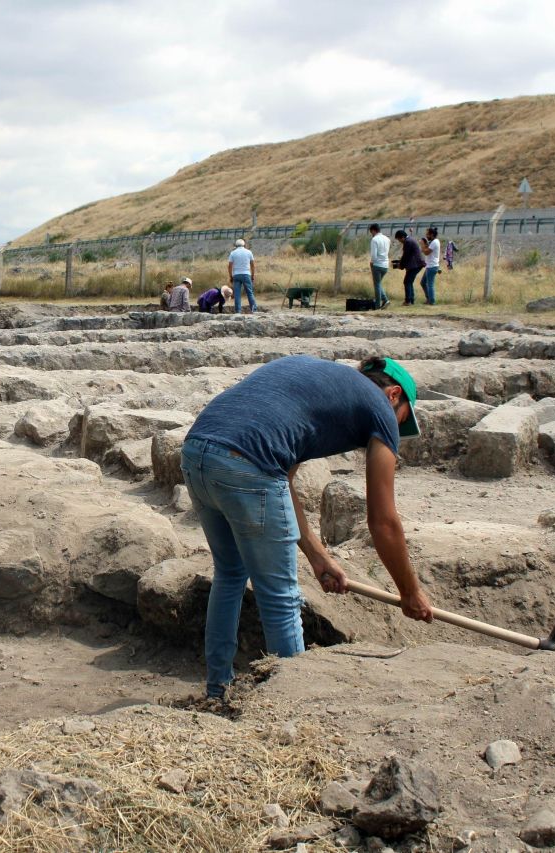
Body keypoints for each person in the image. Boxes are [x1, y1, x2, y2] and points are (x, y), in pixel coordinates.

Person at [181, 355, 433, 699]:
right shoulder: (379, 409)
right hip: (248, 463)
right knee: (281, 596)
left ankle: (217, 690)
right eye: (402, 418)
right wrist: (410, 592)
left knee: (230, 574)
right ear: (393, 395)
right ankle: (293, 705)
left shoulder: (322, 385)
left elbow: (283, 480)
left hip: (197, 452)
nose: (397, 429)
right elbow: (383, 521)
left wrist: (318, 557)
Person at [393, 229, 425, 305]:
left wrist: (401, 265)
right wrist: (401, 263)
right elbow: (407, 256)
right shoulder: (410, 240)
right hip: (416, 264)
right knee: (409, 282)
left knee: (407, 282)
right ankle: (411, 300)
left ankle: (408, 301)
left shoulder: (408, 242)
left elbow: (405, 256)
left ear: (402, 237)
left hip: (415, 265)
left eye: (399, 239)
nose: (399, 241)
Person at [227, 239, 257, 314]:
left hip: (236, 275)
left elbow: (230, 266)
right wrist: (253, 275)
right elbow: (252, 265)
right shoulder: (249, 252)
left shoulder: (233, 253)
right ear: (244, 245)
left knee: (237, 294)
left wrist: (231, 276)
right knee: (249, 292)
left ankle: (238, 311)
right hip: (246, 274)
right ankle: (254, 309)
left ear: (236, 245)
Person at [368, 224, 391, 309]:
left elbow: (374, 254)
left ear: (373, 230)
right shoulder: (387, 239)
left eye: (371, 232)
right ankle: (385, 300)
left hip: (377, 264)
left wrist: (372, 262)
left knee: (377, 284)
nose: (371, 234)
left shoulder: (374, 240)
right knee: (378, 283)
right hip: (385, 264)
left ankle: (378, 305)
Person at [420, 228, 441, 306]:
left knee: (430, 284)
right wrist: (425, 244)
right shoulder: (434, 242)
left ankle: (431, 301)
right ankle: (429, 298)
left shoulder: (434, 242)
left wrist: (422, 244)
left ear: (432, 234)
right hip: (430, 266)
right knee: (423, 283)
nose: (426, 235)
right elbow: (428, 249)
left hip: (432, 266)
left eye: (427, 234)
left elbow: (426, 252)